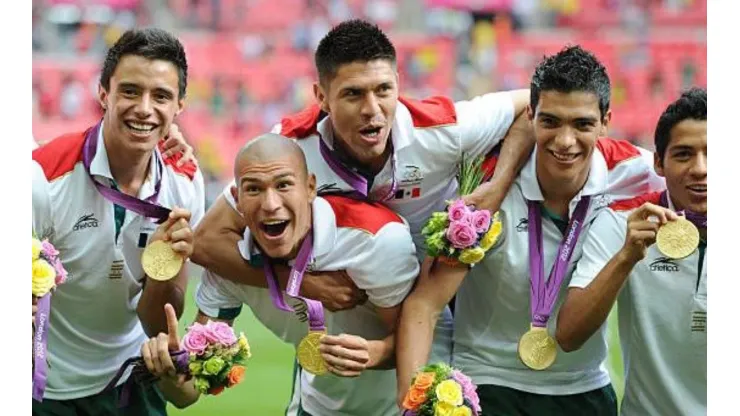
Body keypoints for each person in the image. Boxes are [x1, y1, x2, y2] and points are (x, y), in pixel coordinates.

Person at [189, 18, 535, 372]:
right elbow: (205, 242)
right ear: (321, 97)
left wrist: (495, 188)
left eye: (383, 90)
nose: (372, 108)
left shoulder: (442, 129)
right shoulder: (291, 148)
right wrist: (301, 283)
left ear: (398, 85)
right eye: (353, 94)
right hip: (357, 307)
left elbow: (533, 103)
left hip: (447, 293)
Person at [395, 45, 666, 415]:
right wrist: (413, 403)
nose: (565, 141)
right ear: (531, 117)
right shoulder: (483, 188)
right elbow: (425, 303)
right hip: (485, 385)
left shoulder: (633, 172)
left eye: (583, 124)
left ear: (606, 121)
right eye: (550, 121)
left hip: (583, 388)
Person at [141, 133, 421, 415]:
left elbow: (422, 338)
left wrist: (375, 353)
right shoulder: (227, 269)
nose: (271, 204)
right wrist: (170, 373)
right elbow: (187, 395)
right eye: (253, 189)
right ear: (237, 200)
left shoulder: (374, 240)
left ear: (310, 188)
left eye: (284, 185)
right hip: (313, 407)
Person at [31, 28, 204, 415]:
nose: (144, 108)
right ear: (103, 94)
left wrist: (163, 268)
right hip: (47, 388)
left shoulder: (185, 184)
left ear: (179, 106)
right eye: (130, 91)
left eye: (161, 96)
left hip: (131, 381)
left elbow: (157, 320)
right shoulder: (45, 178)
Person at [557, 88, 707, 415]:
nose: (700, 169)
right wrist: (626, 257)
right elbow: (568, 335)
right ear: (658, 163)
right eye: (683, 154)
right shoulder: (624, 222)